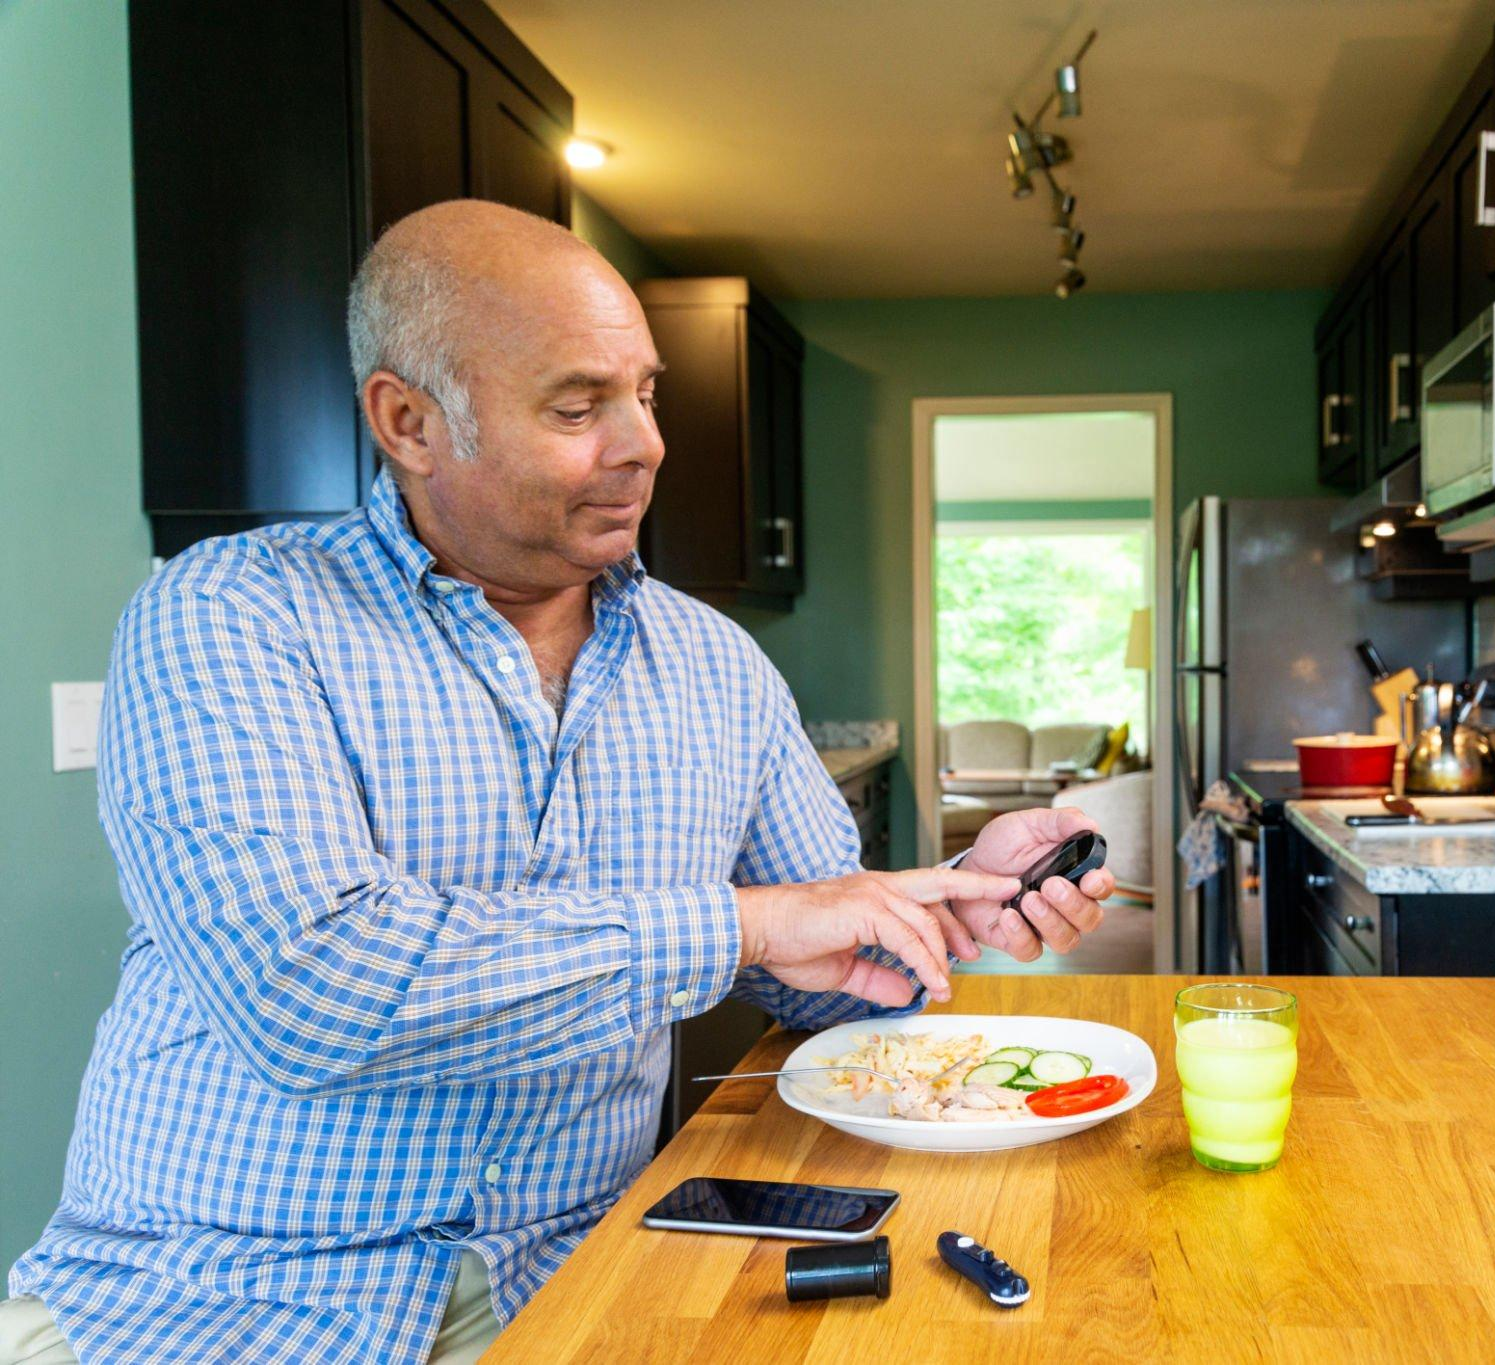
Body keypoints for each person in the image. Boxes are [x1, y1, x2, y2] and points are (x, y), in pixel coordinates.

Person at [2, 200, 1116, 1364]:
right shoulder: (231, 613)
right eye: (579, 406)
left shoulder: (716, 666)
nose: (644, 444)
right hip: (221, 1292)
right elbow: (311, 992)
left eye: (645, 393)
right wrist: (742, 925)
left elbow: (822, 971)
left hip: (582, 1269)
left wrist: (946, 905)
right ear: (409, 422)